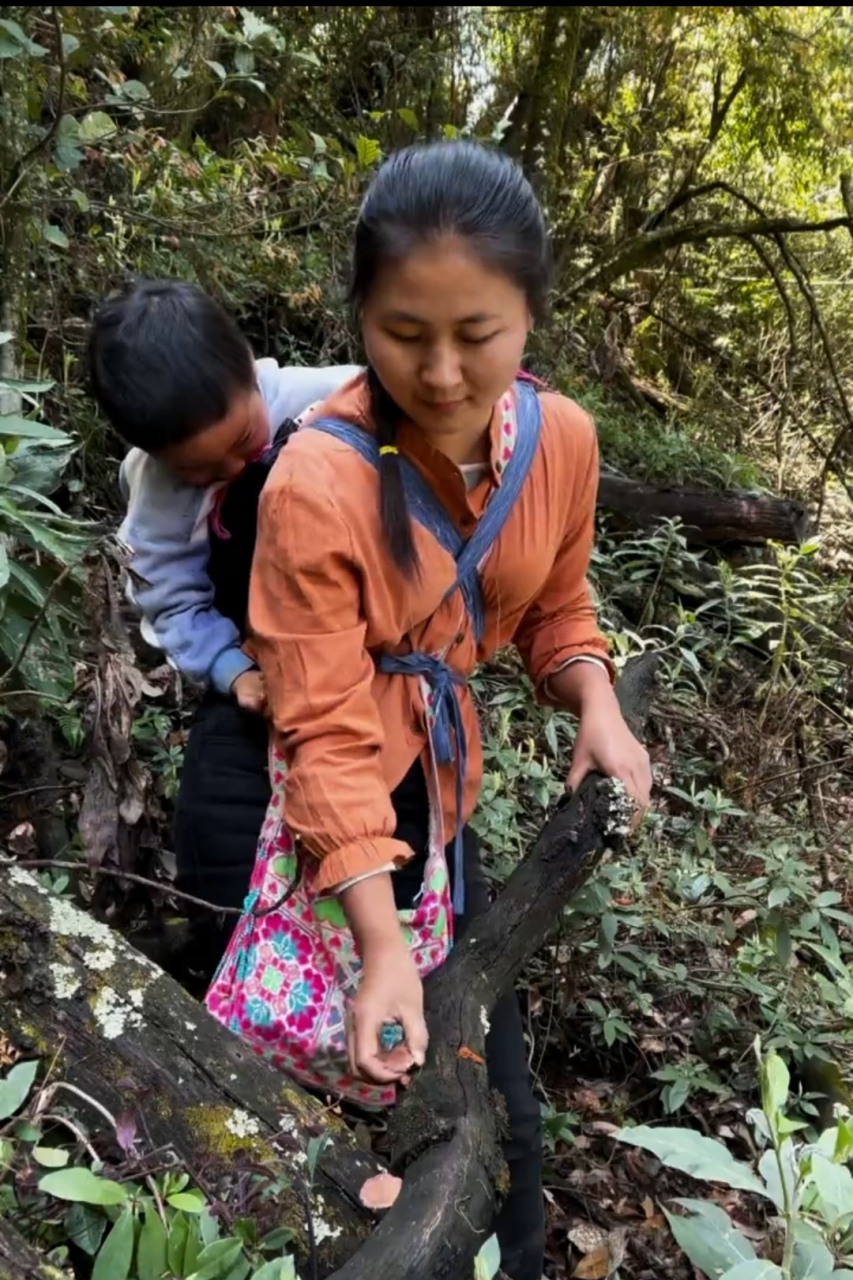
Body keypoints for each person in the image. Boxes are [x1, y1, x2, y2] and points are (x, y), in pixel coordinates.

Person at [205, 141, 652, 1280]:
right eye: (406, 333)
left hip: (442, 790)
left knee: (493, 1100)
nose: (442, 373)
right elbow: (323, 727)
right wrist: (379, 936)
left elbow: (557, 599)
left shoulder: (564, 444)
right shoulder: (316, 483)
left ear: (530, 317)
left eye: (477, 334)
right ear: (359, 314)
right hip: (325, 796)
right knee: (319, 1069)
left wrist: (593, 696)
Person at [88, 278, 360, 711]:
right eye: (199, 469)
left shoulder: (318, 396)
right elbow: (168, 601)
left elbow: (385, 396)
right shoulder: (160, 495)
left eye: (243, 438)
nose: (234, 467)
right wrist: (230, 668)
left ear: (250, 370)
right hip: (239, 604)